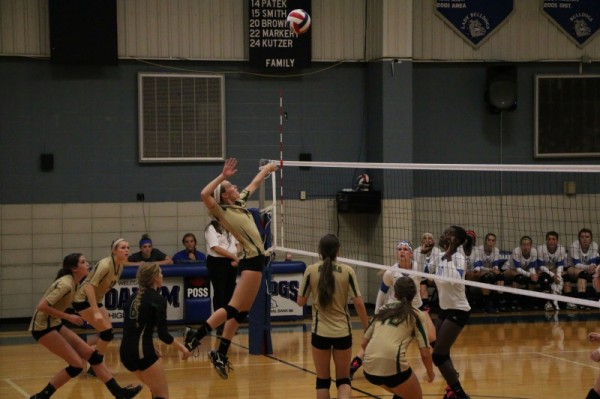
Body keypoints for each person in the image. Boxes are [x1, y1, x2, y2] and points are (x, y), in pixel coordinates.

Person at [184, 157, 278, 379]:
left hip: (255, 261)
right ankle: (196, 335)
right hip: (252, 261)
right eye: (231, 187)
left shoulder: (240, 204)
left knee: (241, 313)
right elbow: (204, 195)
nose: (236, 187)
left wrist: (267, 169)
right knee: (233, 308)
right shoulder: (222, 211)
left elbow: (253, 184)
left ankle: (220, 353)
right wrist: (222, 177)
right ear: (225, 195)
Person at [29, 253, 142, 399]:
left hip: (55, 323)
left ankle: (119, 393)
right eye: (83, 262)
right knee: (76, 365)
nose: (87, 264)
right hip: (42, 327)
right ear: (74, 268)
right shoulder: (65, 284)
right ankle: (41, 396)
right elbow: (42, 306)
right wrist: (69, 316)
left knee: (94, 357)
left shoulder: (75, 283)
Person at [349, 240, 436, 380]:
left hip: (416, 308)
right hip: (395, 309)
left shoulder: (419, 269)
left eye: (405, 249)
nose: (402, 251)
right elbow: (381, 295)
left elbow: (429, 281)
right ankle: (353, 366)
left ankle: (443, 365)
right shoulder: (391, 272)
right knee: (370, 342)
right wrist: (377, 314)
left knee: (432, 338)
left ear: (411, 254)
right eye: (399, 249)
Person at [297, 234, 369, 399]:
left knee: (322, 381)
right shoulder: (347, 271)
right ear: (338, 250)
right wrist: (367, 328)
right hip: (342, 332)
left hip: (320, 332)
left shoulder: (311, 270)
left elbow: (300, 302)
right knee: (343, 379)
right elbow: (358, 303)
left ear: (319, 251)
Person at [120, 263, 190, 399]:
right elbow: (163, 335)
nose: (162, 276)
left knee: (155, 390)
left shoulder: (132, 298)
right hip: (142, 352)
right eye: (160, 273)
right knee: (162, 396)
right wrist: (183, 348)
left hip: (126, 352)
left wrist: (149, 345)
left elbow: (134, 329)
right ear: (154, 278)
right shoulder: (158, 299)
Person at [360, 276, 435, 399]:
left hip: (368, 367)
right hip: (393, 365)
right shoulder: (417, 314)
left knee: (402, 393)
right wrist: (430, 373)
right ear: (415, 294)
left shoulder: (382, 310)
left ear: (395, 293)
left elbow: (363, 343)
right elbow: (425, 353)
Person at [72, 238, 131, 376]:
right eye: (123, 248)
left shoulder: (120, 266)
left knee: (107, 333)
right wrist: (95, 310)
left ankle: (80, 349)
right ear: (114, 250)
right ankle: (95, 366)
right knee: (106, 333)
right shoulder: (105, 265)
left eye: (128, 247)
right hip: (83, 300)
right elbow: (89, 286)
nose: (127, 250)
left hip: (95, 300)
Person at [433, 225, 471, 399]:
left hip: (458, 309)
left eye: (448, 234)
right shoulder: (442, 257)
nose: (443, 235)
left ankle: (459, 394)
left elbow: (456, 282)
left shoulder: (458, 258)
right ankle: (452, 382)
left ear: (455, 241)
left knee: (438, 356)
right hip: (445, 309)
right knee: (436, 344)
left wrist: (448, 257)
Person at [204, 219, 240, 335]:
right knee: (220, 293)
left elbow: (239, 244)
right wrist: (233, 257)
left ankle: (230, 324)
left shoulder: (231, 226)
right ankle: (220, 325)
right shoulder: (211, 228)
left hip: (231, 262)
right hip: (217, 263)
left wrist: (237, 256)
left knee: (230, 293)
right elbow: (215, 248)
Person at [565, 228, 598, 308]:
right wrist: (589, 268)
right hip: (571, 268)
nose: (585, 239)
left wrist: (592, 268)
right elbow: (576, 264)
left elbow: (593, 262)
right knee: (583, 273)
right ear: (579, 239)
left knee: (584, 275)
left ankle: (583, 302)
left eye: (587, 237)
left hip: (586, 270)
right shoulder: (574, 245)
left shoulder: (594, 245)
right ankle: (582, 301)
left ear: (591, 239)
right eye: (582, 237)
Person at [504, 235, 539, 310]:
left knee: (532, 279)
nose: (525, 247)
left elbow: (532, 267)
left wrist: (533, 275)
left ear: (531, 246)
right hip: (508, 269)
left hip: (523, 271)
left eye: (527, 245)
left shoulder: (534, 251)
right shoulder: (516, 251)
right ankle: (514, 303)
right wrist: (530, 274)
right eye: (523, 244)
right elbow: (518, 269)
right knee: (518, 277)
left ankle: (531, 302)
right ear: (520, 245)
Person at [536, 231, 566, 311]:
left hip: (554, 269)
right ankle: (547, 302)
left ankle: (560, 302)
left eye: (553, 239)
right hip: (542, 270)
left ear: (557, 240)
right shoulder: (541, 248)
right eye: (549, 239)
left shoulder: (561, 249)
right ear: (546, 241)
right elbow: (541, 266)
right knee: (545, 277)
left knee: (563, 277)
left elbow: (560, 265)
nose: (551, 241)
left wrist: (558, 276)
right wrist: (553, 275)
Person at [414, 232, 441, 311]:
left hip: (433, 276)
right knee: (422, 282)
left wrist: (432, 276)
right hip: (420, 276)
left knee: (440, 281)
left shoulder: (437, 251)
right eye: (425, 238)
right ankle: (425, 306)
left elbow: (438, 267)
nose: (427, 240)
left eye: (429, 238)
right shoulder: (416, 251)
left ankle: (442, 305)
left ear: (433, 241)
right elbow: (417, 267)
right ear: (422, 241)